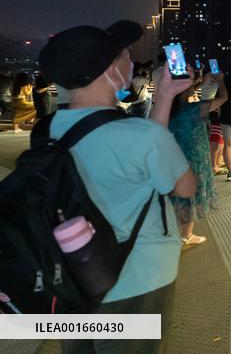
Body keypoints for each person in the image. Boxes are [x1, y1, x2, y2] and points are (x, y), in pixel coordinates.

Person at [37, 20, 195, 354]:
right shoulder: (140, 136)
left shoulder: (47, 130)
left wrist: (164, 96)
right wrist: (164, 97)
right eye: (126, 55)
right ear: (111, 71)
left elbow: (136, 146)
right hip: (136, 279)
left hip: (73, 277)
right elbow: (184, 186)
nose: (132, 62)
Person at [168, 72, 228, 246]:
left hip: (172, 156)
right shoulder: (196, 108)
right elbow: (224, 97)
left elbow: (183, 93)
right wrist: (221, 82)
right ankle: (187, 235)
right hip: (194, 158)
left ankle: (171, 229)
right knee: (190, 197)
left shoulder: (165, 107)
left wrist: (201, 84)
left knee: (174, 193)